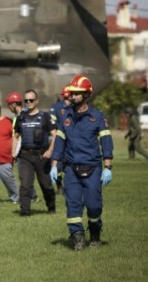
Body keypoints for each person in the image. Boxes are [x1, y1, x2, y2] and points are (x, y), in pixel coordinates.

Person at [51, 75, 113, 250]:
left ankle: (94, 233)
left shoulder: (98, 117)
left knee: (94, 206)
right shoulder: (65, 117)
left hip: (93, 168)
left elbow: (106, 143)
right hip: (71, 169)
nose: (73, 96)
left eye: (77, 93)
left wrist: (107, 167)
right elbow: (59, 143)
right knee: (73, 205)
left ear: (86, 95)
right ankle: (77, 237)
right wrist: (54, 166)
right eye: (72, 93)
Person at [12, 90, 57, 216]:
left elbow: (55, 135)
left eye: (31, 100)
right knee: (25, 184)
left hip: (42, 155)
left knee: (46, 185)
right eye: (26, 100)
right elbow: (15, 136)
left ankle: (51, 207)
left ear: (37, 101)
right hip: (25, 155)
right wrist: (13, 154)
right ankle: (25, 212)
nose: (28, 103)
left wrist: (50, 150)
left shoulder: (45, 116)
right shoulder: (20, 117)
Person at [6, 92, 39, 202]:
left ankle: (32, 196)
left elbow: (19, 136)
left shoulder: (22, 116)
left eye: (9, 105)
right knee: (24, 176)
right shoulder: (20, 116)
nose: (9, 108)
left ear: (13, 105)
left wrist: (14, 152)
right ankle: (32, 196)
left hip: (23, 149)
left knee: (25, 176)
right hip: (20, 149)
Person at [50, 85, 72, 194]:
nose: (68, 100)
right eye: (66, 98)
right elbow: (51, 124)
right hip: (60, 140)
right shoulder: (56, 107)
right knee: (57, 165)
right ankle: (59, 186)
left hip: (72, 140)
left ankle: (70, 186)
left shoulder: (75, 107)